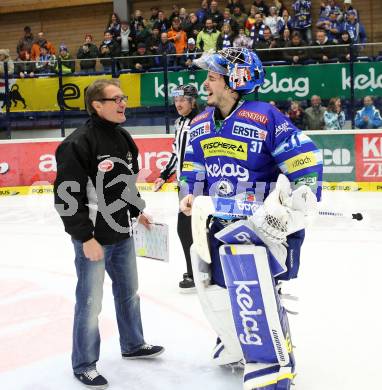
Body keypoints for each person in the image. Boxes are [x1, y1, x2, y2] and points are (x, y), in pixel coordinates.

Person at [178, 47, 323, 390]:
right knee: (217, 289)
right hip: (216, 224)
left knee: (255, 291)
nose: (205, 84)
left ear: (234, 83)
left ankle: (272, 362)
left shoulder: (266, 117)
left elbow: (304, 162)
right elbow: (193, 170)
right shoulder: (199, 124)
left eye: (212, 78)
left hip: (257, 228)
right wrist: (189, 193)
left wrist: (301, 200)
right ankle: (236, 339)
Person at [54, 79, 164, 390]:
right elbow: (66, 197)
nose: (123, 103)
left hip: (122, 235)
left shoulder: (124, 139)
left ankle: (133, 344)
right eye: (115, 99)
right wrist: (85, 238)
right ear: (96, 105)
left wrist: (136, 211)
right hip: (94, 241)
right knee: (90, 304)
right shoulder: (77, 144)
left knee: (129, 295)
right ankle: (84, 363)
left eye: (124, 98)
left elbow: (125, 185)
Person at [153, 85, 199, 291]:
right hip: (183, 185)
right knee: (187, 230)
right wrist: (164, 175)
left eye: (183, 100)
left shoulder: (201, 122)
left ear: (193, 101)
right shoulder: (180, 122)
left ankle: (196, 273)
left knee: (191, 229)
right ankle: (196, 271)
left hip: (198, 185)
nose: (178, 104)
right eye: (176, 100)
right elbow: (175, 153)